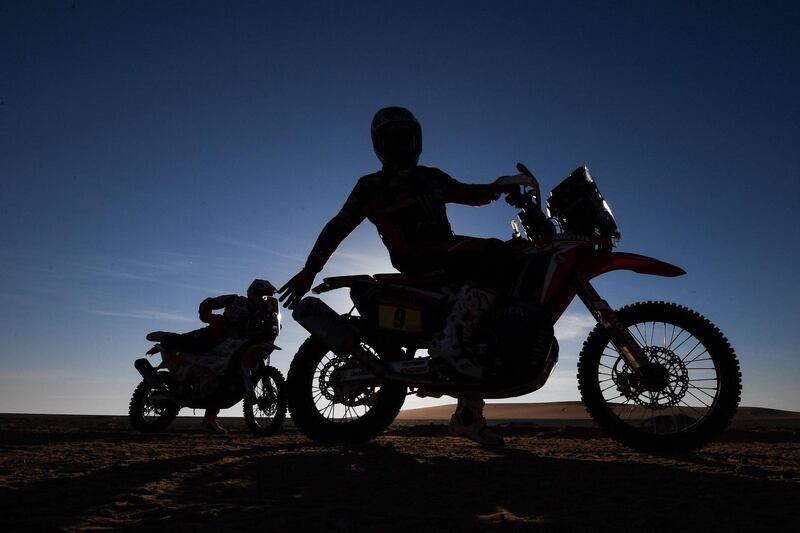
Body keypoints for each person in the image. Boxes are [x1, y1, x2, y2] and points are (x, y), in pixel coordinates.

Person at [279, 106, 517, 446]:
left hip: (446, 260)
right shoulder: (371, 186)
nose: (400, 145)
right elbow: (338, 226)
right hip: (420, 259)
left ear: (416, 140)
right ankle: (453, 346)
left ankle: (468, 416)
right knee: (498, 253)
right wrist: (309, 271)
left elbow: (468, 193)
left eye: (406, 137)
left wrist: (499, 187)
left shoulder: (431, 177)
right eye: (392, 139)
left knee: (484, 319)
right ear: (380, 145)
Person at [161, 279, 278, 434]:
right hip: (218, 337)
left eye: (269, 295)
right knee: (197, 340)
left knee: (225, 379)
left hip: (241, 345)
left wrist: (273, 330)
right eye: (264, 294)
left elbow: (273, 326)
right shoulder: (236, 300)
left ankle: (210, 420)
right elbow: (210, 303)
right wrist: (213, 318)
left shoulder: (266, 312)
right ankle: (169, 342)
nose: (266, 298)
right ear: (254, 292)